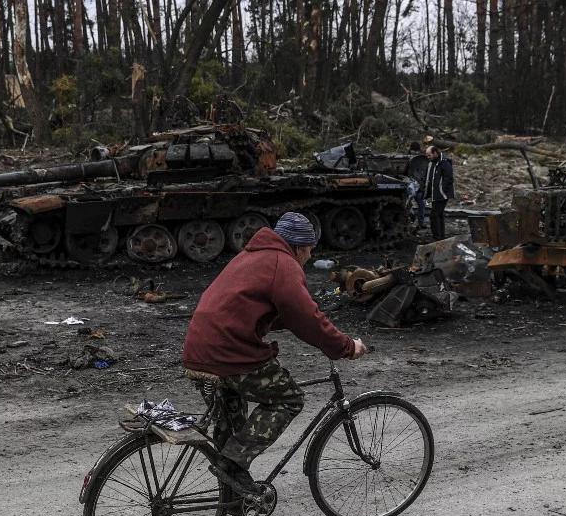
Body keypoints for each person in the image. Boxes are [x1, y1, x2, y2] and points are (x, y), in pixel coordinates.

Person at [182, 212, 368, 496]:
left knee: (231, 419)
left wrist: (301, 317)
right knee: (289, 398)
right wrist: (345, 346)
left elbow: (268, 310)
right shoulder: (284, 264)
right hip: (229, 352)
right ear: (298, 246)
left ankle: (233, 495)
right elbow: (307, 320)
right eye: (309, 249)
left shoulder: (250, 256)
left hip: (200, 347)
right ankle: (232, 466)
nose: (310, 255)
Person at [422, 145, 455, 240]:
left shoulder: (444, 163)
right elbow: (429, 178)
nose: (428, 157)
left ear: (435, 153)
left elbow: (449, 178)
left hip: (442, 194)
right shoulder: (432, 163)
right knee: (439, 215)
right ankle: (441, 236)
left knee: (434, 215)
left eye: (429, 155)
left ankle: (437, 237)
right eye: (427, 155)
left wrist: (442, 190)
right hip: (435, 194)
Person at [405, 142, 430, 229]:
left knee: (421, 204)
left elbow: (424, 173)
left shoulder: (420, 160)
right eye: (413, 151)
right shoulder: (406, 159)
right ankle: (408, 221)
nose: (415, 153)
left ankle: (421, 223)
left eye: (416, 151)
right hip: (409, 186)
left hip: (419, 186)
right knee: (407, 205)